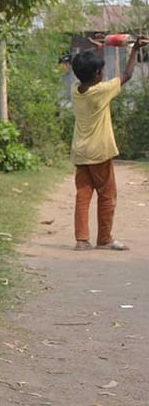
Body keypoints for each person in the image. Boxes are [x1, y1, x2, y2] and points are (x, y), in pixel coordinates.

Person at [70, 38, 146, 251]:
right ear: (97, 75)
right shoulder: (100, 92)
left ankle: (82, 240)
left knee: (83, 195)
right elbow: (127, 75)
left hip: (80, 152)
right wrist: (134, 51)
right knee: (106, 195)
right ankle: (104, 239)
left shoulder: (76, 90)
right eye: (101, 70)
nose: (103, 73)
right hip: (99, 153)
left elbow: (90, 72)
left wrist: (99, 51)